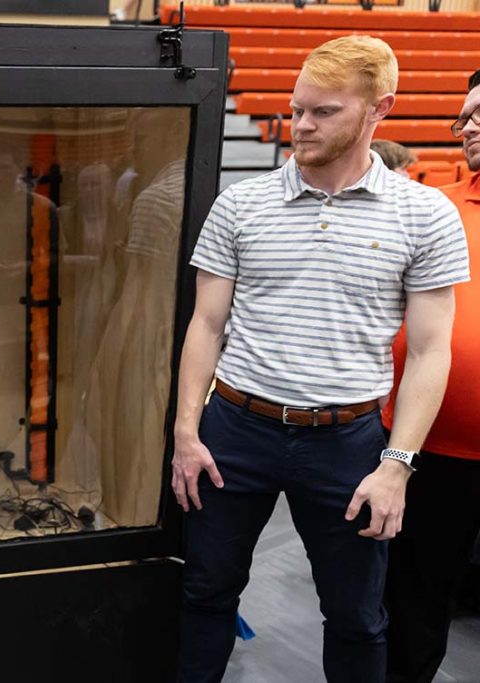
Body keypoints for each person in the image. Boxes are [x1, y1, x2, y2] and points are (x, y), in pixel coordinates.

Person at [171, 36, 470, 683]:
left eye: (323, 112)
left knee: (358, 616)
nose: (301, 125)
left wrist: (398, 465)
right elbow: (206, 323)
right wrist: (186, 430)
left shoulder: (425, 216)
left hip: (349, 442)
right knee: (205, 594)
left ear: (377, 110)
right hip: (235, 432)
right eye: (296, 108)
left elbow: (428, 352)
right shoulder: (241, 204)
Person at [383, 68, 480, 683]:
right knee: (415, 603)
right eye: (464, 117)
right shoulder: (434, 206)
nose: (468, 127)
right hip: (432, 449)